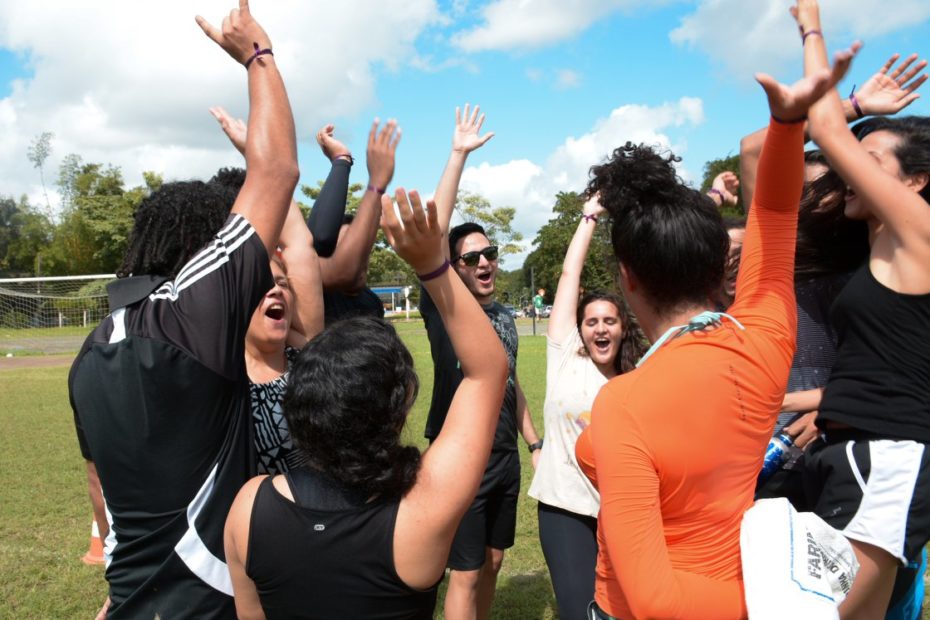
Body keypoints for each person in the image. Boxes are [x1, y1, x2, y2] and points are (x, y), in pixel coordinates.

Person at [575, 45, 856, 619]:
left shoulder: (622, 405)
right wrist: (786, 125)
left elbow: (655, 601)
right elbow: (776, 216)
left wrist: (778, 602)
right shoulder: (765, 337)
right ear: (716, 267)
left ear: (626, 278)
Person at [68, 3, 299, 616]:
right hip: (209, 601)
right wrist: (258, 56)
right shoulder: (190, 315)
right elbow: (276, 171)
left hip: (132, 598)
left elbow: (100, 491)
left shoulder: (91, 349)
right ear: (202, 249)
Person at [223, 188, 510, 619]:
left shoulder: (248, 508)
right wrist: (433, 263)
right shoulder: (422, 509)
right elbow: (488, 370)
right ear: (398, 408)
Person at [797, 1, 930, 617]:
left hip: (891, 454)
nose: (850, 170)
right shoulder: (875, 248)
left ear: (916, 181)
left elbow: (822, 128)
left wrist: (810, 26)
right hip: (851, 449)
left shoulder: (920, 230)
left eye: (870, 160)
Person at [423, 104, 542, 620]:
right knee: (465, 572)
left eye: (488, 252)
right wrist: (457, 156)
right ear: (456, 267)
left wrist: (534, 444)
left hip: (503, 458)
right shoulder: (446, 308)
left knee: (493, 560)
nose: (484, 262)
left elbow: (510, 385)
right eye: (470, 258)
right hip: (458, 457)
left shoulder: (507, 318)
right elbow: (433, 234)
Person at [527, 193, 645, 619]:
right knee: (580, 612)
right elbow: (569, 273)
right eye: (591, 321)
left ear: (622, 327)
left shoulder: (639, 377)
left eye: (609, 320)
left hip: (625, 510)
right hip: (565, 509)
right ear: (579, 329)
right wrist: (589, 217)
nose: (599, 328)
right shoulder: (564, 357)